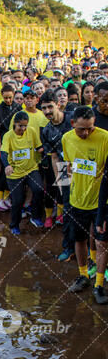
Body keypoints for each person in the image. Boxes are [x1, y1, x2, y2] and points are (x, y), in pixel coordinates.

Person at [62, 106, 108, 304]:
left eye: (90, 128)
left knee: (102, 242)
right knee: (78, 239)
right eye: (81, 129)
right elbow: (66, 168)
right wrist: (64, 195)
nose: (86, 132)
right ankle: (83, 276)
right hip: (76, 200)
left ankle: (99, 284)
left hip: (100, 202)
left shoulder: (105, 137)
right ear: (73, 124)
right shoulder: (66, 139)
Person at [39, 90, 75, 260]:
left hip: (84, 171)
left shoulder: (73, 118)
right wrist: (60, 182)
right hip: (64, 170)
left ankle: (92, 252)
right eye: (44, 108)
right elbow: (54, 157)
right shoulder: (46, 131)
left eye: (49, 107)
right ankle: (69, 248)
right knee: (67, 210)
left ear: (58, 104)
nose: (47, 111)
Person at [1, 111, 44, 234]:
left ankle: (35, 217)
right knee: (18, 200)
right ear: (15, 124)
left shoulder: (31, 131)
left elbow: (38, 147)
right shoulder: (8, 136)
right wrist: (7, 165)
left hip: (31, 169)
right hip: (14, 173)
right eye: (20, 126)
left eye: (25, 125)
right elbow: (3, 153)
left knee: (39, 189)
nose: (23, 128)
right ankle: (14, 225)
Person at [0, 84, 21, 211]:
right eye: (5, 98)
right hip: (3, 142)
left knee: (13, 169)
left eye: (10, 98)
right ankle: (0, 197)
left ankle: (7, 196)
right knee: (4, 169)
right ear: (2, 96)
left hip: (16, 144)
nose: (8, 100)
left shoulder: (18, 108)